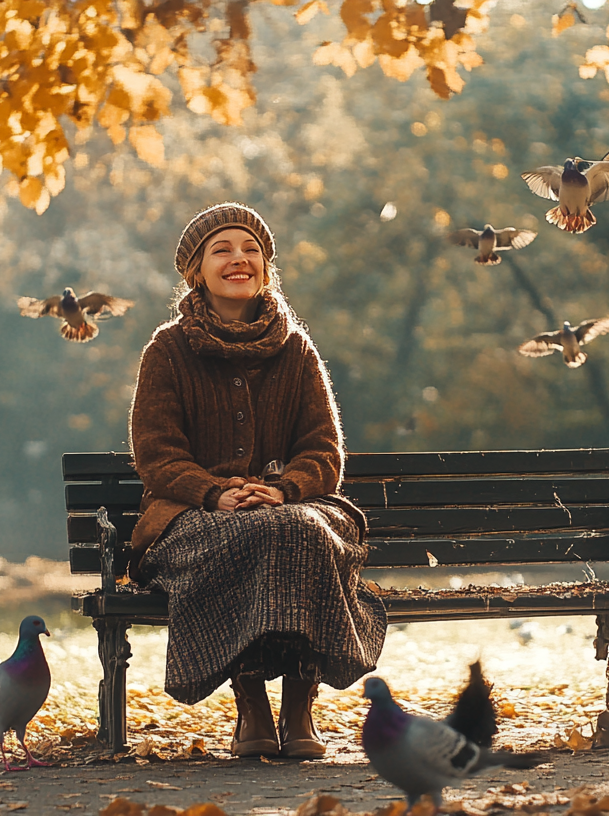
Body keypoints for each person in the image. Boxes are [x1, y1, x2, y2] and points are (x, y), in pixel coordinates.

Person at [127, 202, 386, 759]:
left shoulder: (296, 347)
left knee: (298, 530)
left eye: (251, 250)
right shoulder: (167, 351)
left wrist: (285, 488)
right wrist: (215, 492)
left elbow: (322, 448)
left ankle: (299, 704)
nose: (238, 259)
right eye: (222, 249)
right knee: (251, 534)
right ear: (196, 269)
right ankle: (251, 704)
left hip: (292, 504)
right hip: (192, 514)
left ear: (267, 267)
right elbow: (157, 454)